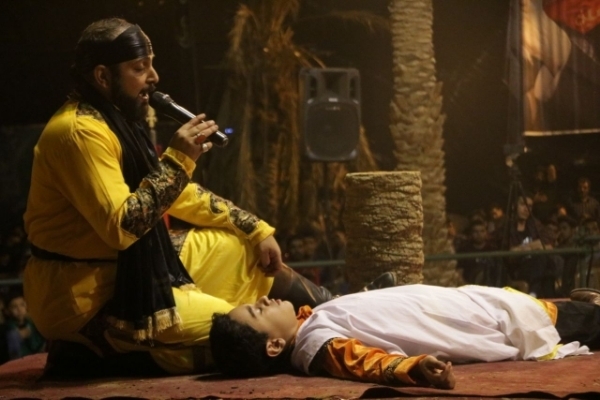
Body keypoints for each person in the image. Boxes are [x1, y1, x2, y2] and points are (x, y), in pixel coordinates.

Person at [22, 17, 337, 376]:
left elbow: (172, 192)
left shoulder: (115, 120)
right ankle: (93, 353)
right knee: (241, 328)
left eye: (151, 65)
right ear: (103, 77)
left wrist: (255, 228)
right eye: (139, 68)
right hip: (82, 293)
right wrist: (178, 160)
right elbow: (123, 226)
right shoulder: (77, 133)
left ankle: (339, 305)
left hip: (124, 267)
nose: (154, 77)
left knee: (241, 250)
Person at [210, 284, 600, 388]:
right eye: (258, 311)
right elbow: (365, 363)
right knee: (574, 320)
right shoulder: (315, 343)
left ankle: (588, 307)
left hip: (467, 306)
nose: (264, 299)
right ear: (274, 345)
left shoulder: (310, 321)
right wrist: (413, 368)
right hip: (477, 321)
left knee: (558, 312)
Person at [2, 291, 46, 360]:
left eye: (22, 305)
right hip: (21, 358)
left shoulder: (31, 322)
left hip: (37, 354)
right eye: (14, 307)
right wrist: (18, 335)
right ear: (7, 311)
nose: (19, 309)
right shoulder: (9, 326)